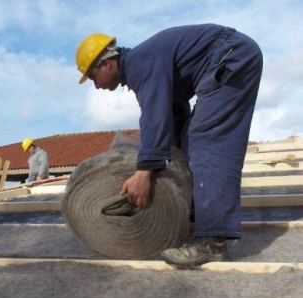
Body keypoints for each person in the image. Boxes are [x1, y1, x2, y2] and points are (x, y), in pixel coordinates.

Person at [76, 24, 263, 267]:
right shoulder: (141, 65)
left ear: (106, 64)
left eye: (93, 77)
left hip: (231, 56)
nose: (96, 85)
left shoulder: (142, 64)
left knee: (207, 139)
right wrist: (164, 175)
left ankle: (213, 242)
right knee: (188, 138)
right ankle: (198, 216)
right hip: (227, 56)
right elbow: (174, 114)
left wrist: (144, 173)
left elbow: (155, 114)